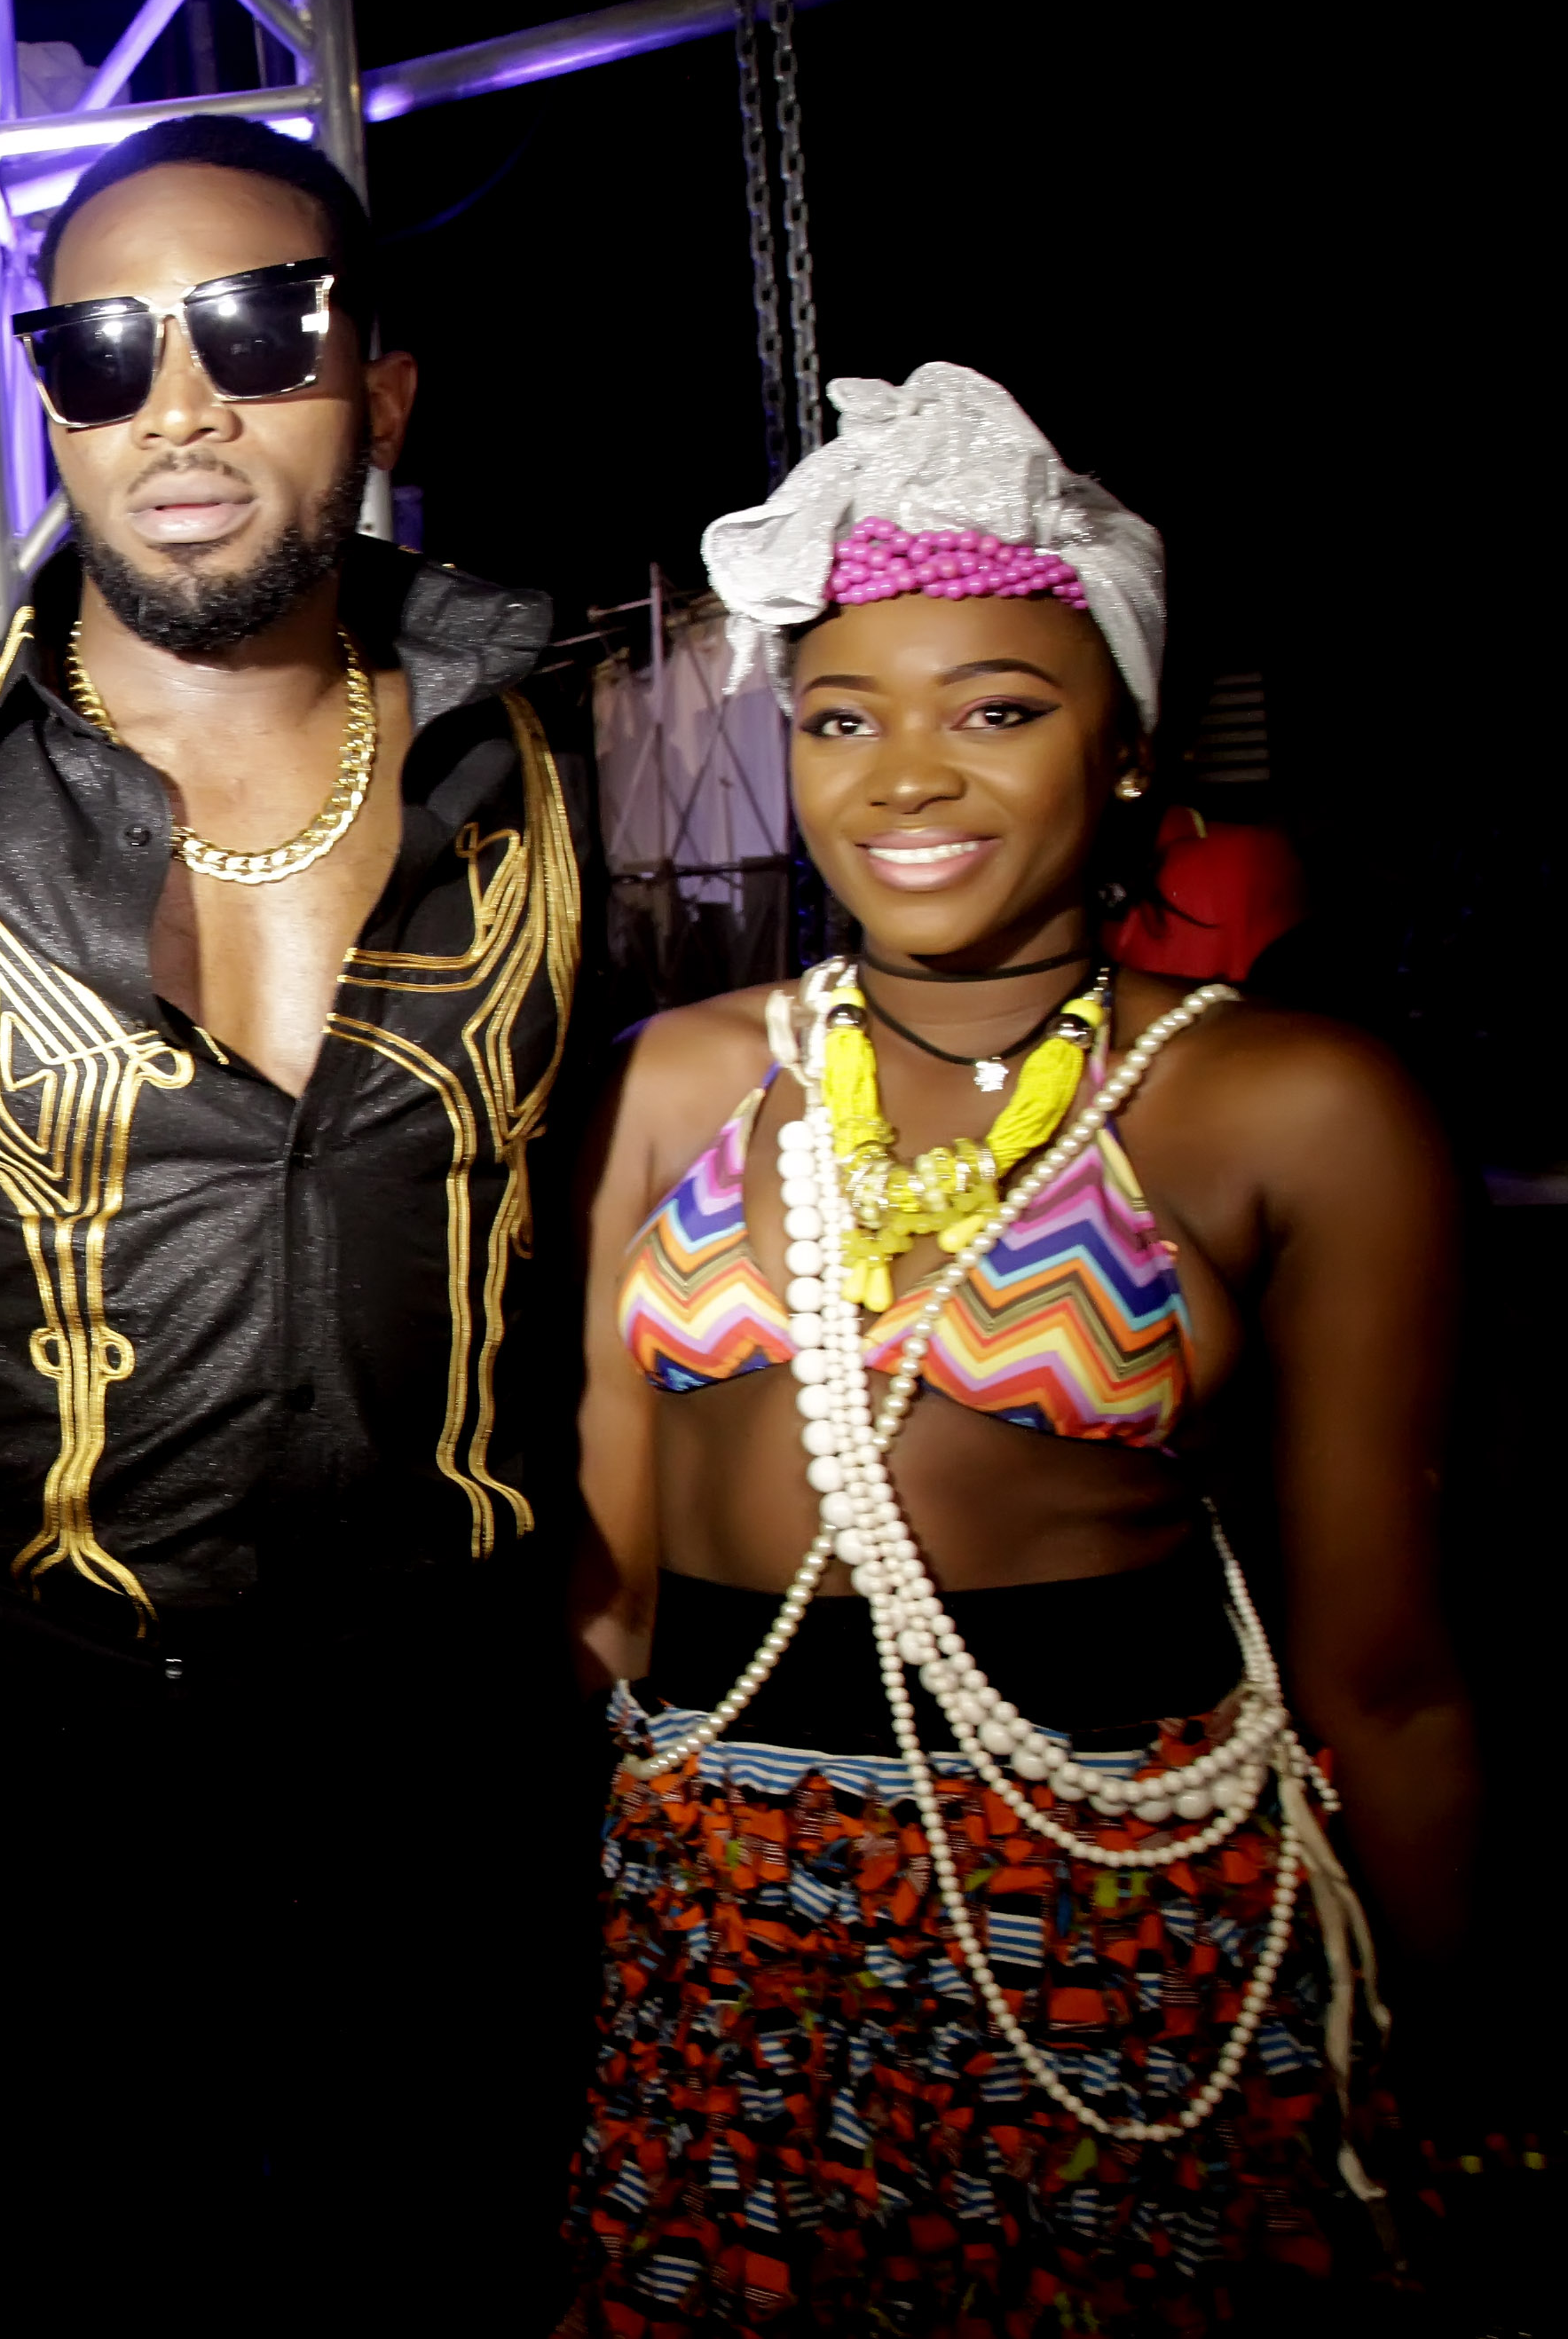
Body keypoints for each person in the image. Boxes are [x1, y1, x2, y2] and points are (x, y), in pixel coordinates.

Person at [0, 115, 603, 2327]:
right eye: (104, 348)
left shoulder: (557, 759)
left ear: (381, 387)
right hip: (48, 1789)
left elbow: (637, 1215)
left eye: (259, 328)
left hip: (471, 1774)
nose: (180, 403)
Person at [563, 365, 1475, 2333]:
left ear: (1127, 748)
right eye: (839, 717)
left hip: (1109, 1926)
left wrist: (1470, 2087)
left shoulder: (1281, 1103)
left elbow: (1387, 1673)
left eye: (997, 709)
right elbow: (603, 1577)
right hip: (718, 1915)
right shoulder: (692, 1070)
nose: (906, 776)